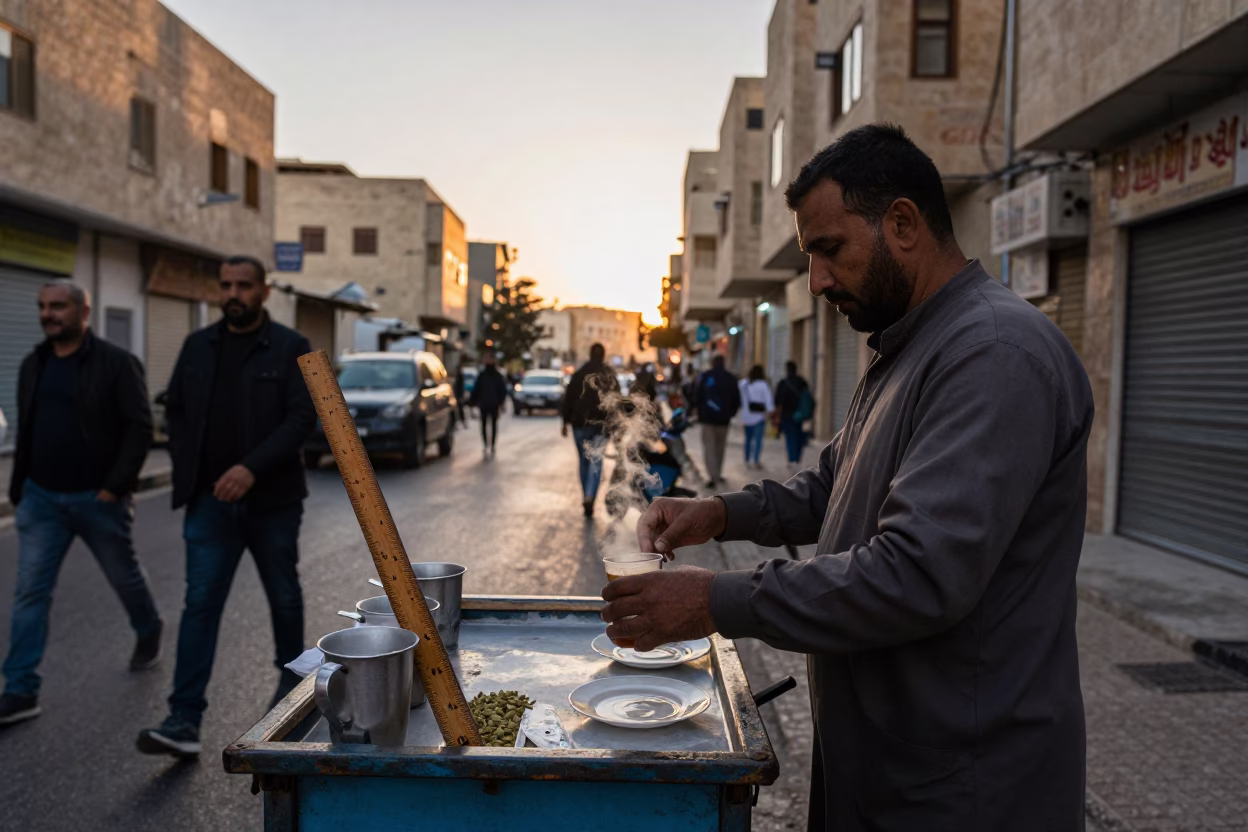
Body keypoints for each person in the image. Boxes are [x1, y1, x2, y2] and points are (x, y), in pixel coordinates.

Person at [600, 124, 1093, 830]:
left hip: (967, 787)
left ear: (902, 223)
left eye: (829, 250)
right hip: (893, 766)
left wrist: (715, 601)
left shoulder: (992, 352)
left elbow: (918, 574)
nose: (818, 280)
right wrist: (719, 513)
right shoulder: (905, 346)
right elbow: (836, 485)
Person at [137, 256, 315, 757]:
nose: (233, 293)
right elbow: (176, 411)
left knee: (283, 598)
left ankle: (293, 697)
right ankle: (183, 720)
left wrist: (251, 467)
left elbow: (302, 416)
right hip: (210, 504)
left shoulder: (289, 348)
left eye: (243, 285)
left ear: (264, 291)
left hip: (273, 503)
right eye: (226, 285)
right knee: (200, 606)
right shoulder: (198, 346)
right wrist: (188, 471)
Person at [1, 281, 162, 727]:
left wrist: (114, 487)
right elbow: (28, 429)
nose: (48, 314)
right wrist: (20, 489)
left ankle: (149, 629)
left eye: (58, 306)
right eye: (42, 306)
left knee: (124, 577)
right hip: (40, 498)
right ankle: (19, 689)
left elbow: (139, 429)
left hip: (98, 500)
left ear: (83, 311)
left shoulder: (115, 363)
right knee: (30, 592)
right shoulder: (34, 363)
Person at [561, 343, 619, 517]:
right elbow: (616, 401)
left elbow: (568, 398)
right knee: (596, 461)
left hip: (579, 425)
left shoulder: (579, 374)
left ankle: (586, 495)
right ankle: (590, 495)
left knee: (584, 462)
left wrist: (564, 422)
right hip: (601, 426)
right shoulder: (608, 375)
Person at [692, 354, 740, 489]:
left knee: (709, 448)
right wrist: (731, 413)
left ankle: (713, 476)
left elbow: (697, 395)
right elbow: (736, 399)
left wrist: (697, 411)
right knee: (720, 448)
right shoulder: (731, 378)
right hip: (724, 420)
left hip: (708, 419)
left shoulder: (706, 376)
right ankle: (717, 473)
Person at [468, 353, 509, 456]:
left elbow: (502, 391)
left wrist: (501, 403)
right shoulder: (482, 375)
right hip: (484, 404)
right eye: (487, 359)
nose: (488, 361)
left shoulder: (497, 375)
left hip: (493, 404)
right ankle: (486, 445)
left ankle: (492, 445)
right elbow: (476, 389)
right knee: (484, 425)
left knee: (494, 425)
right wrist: (472, 401)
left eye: (490, 359)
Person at [774, 361, 812, 468]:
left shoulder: (783, 383)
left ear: (787, 370)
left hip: (787, 415)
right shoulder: (802, 382)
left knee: (790, 437)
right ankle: (797, 459)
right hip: (801, 415)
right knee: (799, 437)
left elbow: (777, 400)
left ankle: (792, 459)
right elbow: (808, 398)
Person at [738, 365, 773, 470]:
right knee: (758, 440)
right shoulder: (763, 385)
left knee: (748, 439)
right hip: (758, 417)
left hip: (746, 417)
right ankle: (756, 460)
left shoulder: (742, 384)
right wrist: (770, 412)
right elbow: (768, 400)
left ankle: (747, 460)